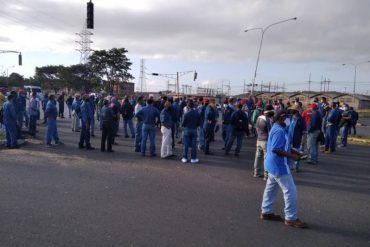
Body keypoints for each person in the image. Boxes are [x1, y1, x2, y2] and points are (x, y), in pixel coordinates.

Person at [260, 110, 307, 228]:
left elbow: (284, 146)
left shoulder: (278, 128)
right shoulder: (279, 131)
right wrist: (292, 156)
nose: (289, 120)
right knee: (290, 191)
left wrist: (298, 153)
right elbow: (276, 149)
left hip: (273, 165)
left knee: (270, 189)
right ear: (281, 119)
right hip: (279, 165)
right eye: (287, 118)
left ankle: (266, 212)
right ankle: (291, 218)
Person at [253, 104, 274, 178]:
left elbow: (256, 128)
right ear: (269, 111)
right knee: (266, 158)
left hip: (259, 139)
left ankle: (256, 172)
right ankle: (266, 175)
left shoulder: (259, 117)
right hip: (266, 140)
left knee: (258, 157)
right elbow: (270, 131)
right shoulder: (268, 119)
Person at [287, 104, 307, 172]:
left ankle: (296, 167)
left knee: (297, 152)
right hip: (289, 138)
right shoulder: (291, 117)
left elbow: (304, 131)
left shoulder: (301, 119)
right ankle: (289, 166)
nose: (291, 111)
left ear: (296, 111)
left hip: (297, 139)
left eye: (292, 110)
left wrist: (303, 140)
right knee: (288, 151)